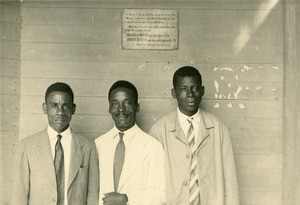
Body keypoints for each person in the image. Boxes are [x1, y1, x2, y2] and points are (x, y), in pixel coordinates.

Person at [149, 66, 239, 205]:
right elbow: (152, 183)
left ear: (202, 90)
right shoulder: (159, 131)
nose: (190, 94)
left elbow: (230, 181)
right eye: (183, 89)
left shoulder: (219, 128)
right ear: (174, 93)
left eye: (195, 88)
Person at [11, 82, 99, 205]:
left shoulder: (88, 147)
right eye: (54, 105)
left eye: (66, 106)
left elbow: (93, 196)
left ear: (73, 108)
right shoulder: (27, 146)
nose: (60, 112)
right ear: (45, 108)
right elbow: (18, 197)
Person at [95, 80, 165, 205]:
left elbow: (161, 194)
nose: (121, 109)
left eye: (127, 103)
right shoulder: (97, 145)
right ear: (109, 108)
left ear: (137, 107)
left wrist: (126, 199)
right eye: (115, 103)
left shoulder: (153, 147)